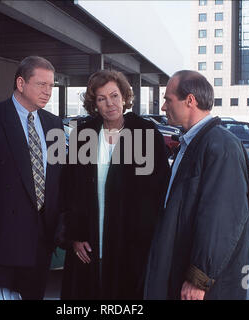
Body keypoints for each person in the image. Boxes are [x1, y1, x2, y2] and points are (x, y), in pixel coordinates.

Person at [60, 69, 169, 299]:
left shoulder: (146, 133)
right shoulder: (82, 135)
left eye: (115, 95)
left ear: (124, 97)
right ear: (94, 104)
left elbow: (160, 191)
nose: (110, 104)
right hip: (89, 239)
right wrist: (74, 236)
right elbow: (69, 190)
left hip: (131, 244)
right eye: (102, 98)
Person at [0, 56, 64, 299]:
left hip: (41, 240)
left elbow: (57, 179)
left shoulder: (54, 124)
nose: (48, 92)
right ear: (21, 83)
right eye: (42, 85)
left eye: (51, 86)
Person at [144, 70, 249, 300]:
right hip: (181, 272)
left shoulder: (221, 147)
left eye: (168, 99)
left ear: (190, 100)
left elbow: (221, 220)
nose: (163, 107)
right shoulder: (193, 143)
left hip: (205, 287)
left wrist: (199, 278)